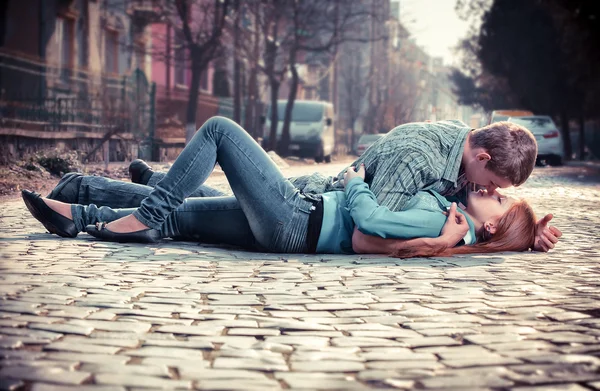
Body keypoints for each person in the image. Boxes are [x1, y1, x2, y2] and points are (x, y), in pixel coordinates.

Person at [22, 117, 537, 258]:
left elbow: (372, 229)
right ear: (483, 155)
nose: (481, 187)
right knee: (187, 208)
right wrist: (500, 230)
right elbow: (384, 226)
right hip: (302, 210)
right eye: (490, 182)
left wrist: (513, 230)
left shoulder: (450, 158)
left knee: (219, 132)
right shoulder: (422, 157)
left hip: (300, 215)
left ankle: (141, 209)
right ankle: (80, 201)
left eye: (490, 191)